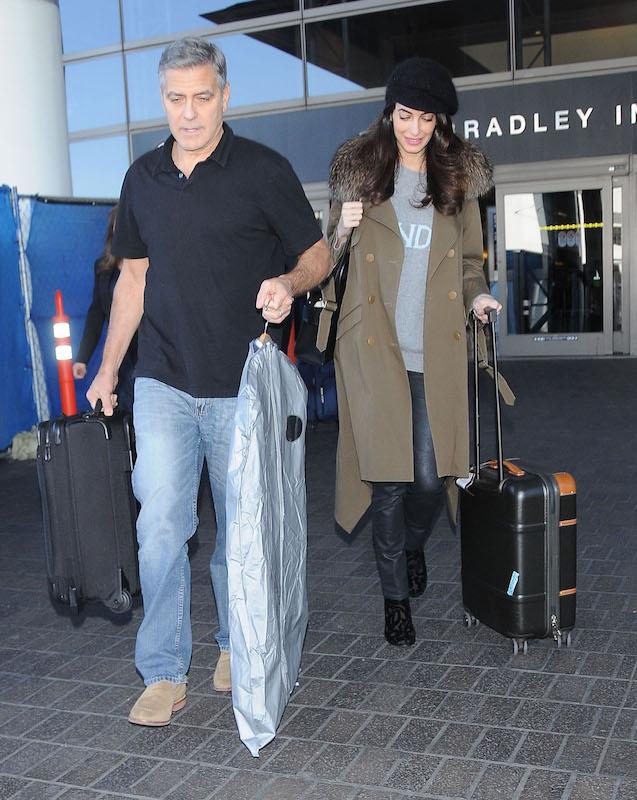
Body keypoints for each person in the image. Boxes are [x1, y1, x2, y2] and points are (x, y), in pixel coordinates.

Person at [87, 36, 331, 726]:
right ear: (161, 100)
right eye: (175, 99)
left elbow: (317, 253)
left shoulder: (263, 170)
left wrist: (287, 281)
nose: (188, 113)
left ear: (224, 96)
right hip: (161, 381)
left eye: (201, 97)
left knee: (238, 529)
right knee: (161, 527)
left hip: (241, 384)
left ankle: (232, 643)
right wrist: (108, 370)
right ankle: (163, 671)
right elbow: (131, 281)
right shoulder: (141, 179)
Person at [327, 57, 501, 647]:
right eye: (406, 114)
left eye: (427, 118)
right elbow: (326, 268)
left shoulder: (455, 185)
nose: (415, 128)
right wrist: (341, 231)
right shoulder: (361, 177)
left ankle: (411, 547)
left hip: (435, 353)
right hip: (375, 349)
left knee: (431, 479)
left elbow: (472, 264)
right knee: (388, 481)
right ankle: (394, 600)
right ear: (390, 114)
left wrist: (478, 298)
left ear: (440, 123)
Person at [72, 206, 136, 413]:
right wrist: (83, 357)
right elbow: (96, 312)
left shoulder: (150, 266)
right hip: (120, 354)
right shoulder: (102, 268)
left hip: (149, 353)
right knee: (120, 409)